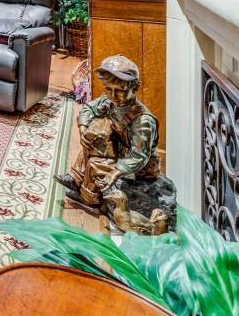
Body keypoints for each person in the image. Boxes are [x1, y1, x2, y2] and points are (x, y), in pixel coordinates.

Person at [55, 55, 161, 208]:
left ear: (134, 87)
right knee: (91, 142)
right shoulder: (109, 100)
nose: (113, 95)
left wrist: (115, 172)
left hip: (140, 169)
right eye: (108, 89)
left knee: (95, 164)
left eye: (120, 90)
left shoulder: (143, 120)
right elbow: (89, 108)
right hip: (121, 150)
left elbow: (139, 157)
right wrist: (83, 127)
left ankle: (90, 198)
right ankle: (76, 178)